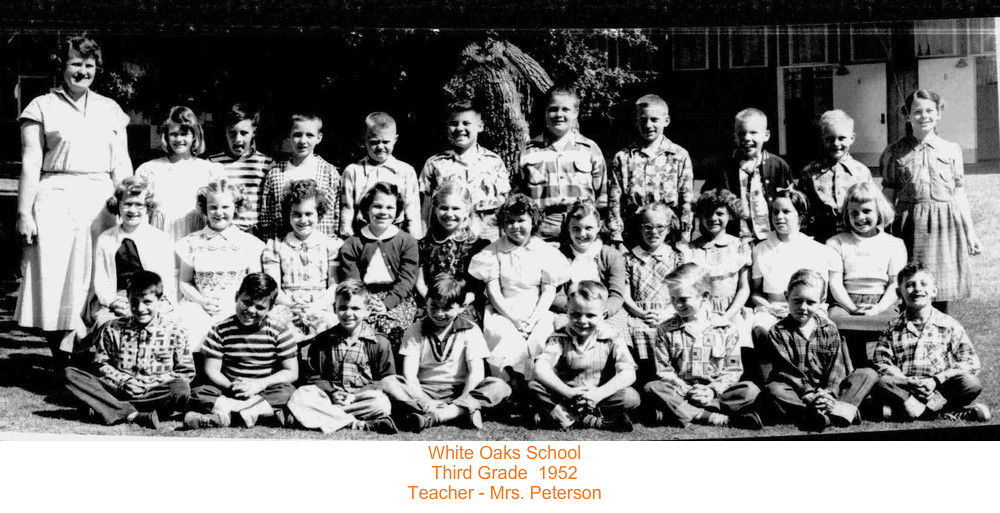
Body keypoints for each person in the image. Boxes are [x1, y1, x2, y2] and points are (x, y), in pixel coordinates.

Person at [15, 35, 132, 366]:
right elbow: (30, 163)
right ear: (61, 67)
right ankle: (62, 359)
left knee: (96, 278)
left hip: (101, 201)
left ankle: (90, 353)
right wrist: (24, 213)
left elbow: (121, 163)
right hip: (55, 198)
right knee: (56, 279)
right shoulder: (41, 106)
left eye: (89, 65)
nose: (83, 71)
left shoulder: (110, 109)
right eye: (75, 64)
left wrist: (127, 202)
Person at [879, 90, 982, 313]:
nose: (923, 116)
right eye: (917, 112)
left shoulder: (951, 149)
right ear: (907, 116)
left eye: (929, 111)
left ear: (938, 114)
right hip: (909, 225)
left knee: (938, 287)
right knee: (910, 284)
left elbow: (959, 193)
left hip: (944, 225)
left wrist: (970, 233)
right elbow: (888, 193)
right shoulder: (894, 152)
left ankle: (939, 330)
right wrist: (882, 230)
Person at [63, 271, 193, 429]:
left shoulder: (176, 332)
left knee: (180, 388)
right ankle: (132, 413)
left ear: (160, 301)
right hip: (120, 390)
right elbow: (101, 363)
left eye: (147, 302)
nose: (140, 308)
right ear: (128, 300)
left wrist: (147, 384)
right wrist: (125, 381)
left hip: (155, 391)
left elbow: (186, 372)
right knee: (70, 374)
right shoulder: (113, 327)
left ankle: (109, 407)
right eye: (134, 302)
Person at [383, 273, 512, 432]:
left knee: (499, 386)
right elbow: (410, 375)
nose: (439, 313)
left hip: (459, 391)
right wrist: (426, 401)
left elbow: (476, 374)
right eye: (434, 306)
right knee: (389, 383)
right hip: (424, 391)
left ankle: (440, 415)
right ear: (426, 301)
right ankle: (460, 413)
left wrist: (462, 399)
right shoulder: (415, 330)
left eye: (447, 308)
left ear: (462, 307)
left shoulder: (471, 330)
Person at [756, 270, 878, 432]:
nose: (803, 307)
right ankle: (837, 412)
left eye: (810, 302)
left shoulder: (829, 328)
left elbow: (836, 366)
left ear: (822, 301)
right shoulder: (778, 332)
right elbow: (787, 370)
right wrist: (808, 393)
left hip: (828, 392)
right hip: (798, 392)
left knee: (867, 373)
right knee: (774, 390)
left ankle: (824, 412)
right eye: (797, 301)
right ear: (787, 297)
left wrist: (829, 393)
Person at [643, 263, 762, 429]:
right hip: (682, 392)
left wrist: (711, 391)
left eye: (683, 299)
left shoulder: (727, 329)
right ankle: (714, 418)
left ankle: (678, 413)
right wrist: (686, 390)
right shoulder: (664, 330)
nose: (677, 305)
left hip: (716, 394)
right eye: (672, 299)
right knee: (652, 387)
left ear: (705, 296)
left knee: (750, 390)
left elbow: (733, 370)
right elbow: (664, 370)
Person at [468, 194, 569, 381]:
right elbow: (494, 292)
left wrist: (533, 320)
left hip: (537, 310)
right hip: (503, 311)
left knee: (542, 336)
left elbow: (548, 292)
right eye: (509, 221)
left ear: (533, 221)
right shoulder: (493, 252)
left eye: (521, 220)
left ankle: (537, 384)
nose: (515, 226)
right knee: (504, 336)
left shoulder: (546, 252)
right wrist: (514, 319)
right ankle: (509, 385)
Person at [870, 263, 989, 422]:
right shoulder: (892, 327)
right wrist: (906, 380)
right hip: (905, 386)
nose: (917, 289)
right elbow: (881, 362)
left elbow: (970, 362)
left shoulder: (949, 324)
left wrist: (936, 380)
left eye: (924, 284)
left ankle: (907, 411)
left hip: (939, 387)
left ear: (934, 291)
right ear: (899, 292)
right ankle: (943, 412)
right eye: (910, 285)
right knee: (883, 382)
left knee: (971, 383)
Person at [183, 273, 298, 429]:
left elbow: (291, 372)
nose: (250, 310)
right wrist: (231, 386)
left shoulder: (279, 331)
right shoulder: (220, 330)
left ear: (270, 308)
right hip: (230, 389)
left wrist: (259, 384)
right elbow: (211, 369)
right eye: (246, 302)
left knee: (288, 391)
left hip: (264, 390)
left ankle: (228, 415)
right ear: (237, 296)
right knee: (198, 391)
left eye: (260, 307)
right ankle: (252, 413)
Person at [286, 280, 398, 434]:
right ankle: (357, 424)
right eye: (343, 308)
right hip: (330, 399)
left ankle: (323, 417)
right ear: (335, 309)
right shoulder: (323, 340)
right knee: (301, 395)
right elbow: (313, 377)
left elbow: (386, 380)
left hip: (361, 399)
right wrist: (332, 393)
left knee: (381, 403)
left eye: (355, 308)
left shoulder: (379, 342)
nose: (348, 313)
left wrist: (356, 394)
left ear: (368, 310)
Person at [528, 281, 639, 432]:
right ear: (567, 311)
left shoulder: (612, 336)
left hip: (598, 396)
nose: (582, 321)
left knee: (630, 397)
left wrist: (599, 394)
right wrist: (568, 392)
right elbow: (540, 368)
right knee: (533, 386)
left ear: (603, 314)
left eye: (590, 315)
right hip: (565, 395)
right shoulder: (559, 337)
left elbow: (628, 373)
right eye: (575, 314)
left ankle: (564, 417)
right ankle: (593, 420)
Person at [171, 179, 265, 352]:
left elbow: (255, 284)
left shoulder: (248, 243)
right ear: (204, 209)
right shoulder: (192, 242)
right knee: (190, 324)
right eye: (213, 207)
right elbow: (185, 281)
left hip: (237, 306)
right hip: (200, 304)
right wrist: (202, 301)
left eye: (225, 207)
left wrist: (241, 304)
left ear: (236, 207)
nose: (219, 213)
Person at [337, 182, 420, 354]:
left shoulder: (407, 242)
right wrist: (367, 300)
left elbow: (406, 280)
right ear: (367, 209)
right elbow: (353, 280)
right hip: (362, 296)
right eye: (377, 206)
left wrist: (386, 304)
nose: (383, 212)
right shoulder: (352, 243)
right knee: (362, 327)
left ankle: (392, 366)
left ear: (397, 211)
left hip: (397, 298)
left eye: (390, 207)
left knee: (392, 327)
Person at [516, 85, 607, 240]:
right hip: (541, 233)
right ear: (545, 112)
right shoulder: (529, 151)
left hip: (581, 232)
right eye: (553, 109)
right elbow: (518, 196)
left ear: (576, 112)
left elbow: (603, 196)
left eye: (565, 109)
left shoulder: (590, 149)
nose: (559, 115)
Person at [88, 177, 176, 328]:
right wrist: (113, 302)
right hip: (119, 299)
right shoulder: (106, 239)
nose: (133, 210)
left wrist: (152, 304)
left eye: (139, 205)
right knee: (108, 324)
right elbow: (102, 279)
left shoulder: (160, 239)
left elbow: (165, 280)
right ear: (118, 205)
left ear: (148, 207)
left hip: (150, 299)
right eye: (127, 204)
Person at [608, 94, 694, 247]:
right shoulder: (624, 157)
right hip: (633, 235)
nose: (648, 125)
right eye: (643, 120)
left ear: (666, 121)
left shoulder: (679, 156)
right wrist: (617, 239)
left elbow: (686, 201)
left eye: (654, 120)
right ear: (636, 121)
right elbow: (614, 203)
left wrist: (684, 238)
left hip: (668, 236)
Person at [262, 179, 341, 341]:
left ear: (319, 214)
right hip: (287, 305)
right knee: (274, 327)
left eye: (308, 214)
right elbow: (273, 287)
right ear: (288, 215)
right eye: (296, 214)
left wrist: (315, 307)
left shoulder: (330, 245)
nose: (303, 220)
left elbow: (334, 285)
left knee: (331, 327)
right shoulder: (276, 246)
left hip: (320, 305)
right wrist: (293, 306)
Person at [420, 101, 510, 241]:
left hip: (487, 239)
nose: (459, 128)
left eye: (466, 123)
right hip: (448, 239)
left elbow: (504, 209)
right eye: (454, 123)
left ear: (480, 126)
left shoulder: (494, 162)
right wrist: (422, 238)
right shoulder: (435, 163)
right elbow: (426, 209)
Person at [136, 105, 226, 245]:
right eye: (173, 134)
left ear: (194, 135)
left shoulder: (209, 170)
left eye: (184, 134)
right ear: (166, 136)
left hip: (196, 240)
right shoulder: (150, 169)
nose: (178, 139)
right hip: (160, 239)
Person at [702, 108, 793, 243]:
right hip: (735, 239)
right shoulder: (723, 169)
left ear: (766, 135)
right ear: (735, 136)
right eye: (741, 133)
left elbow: (792, 202)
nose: (747, 138)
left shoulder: (778, 166)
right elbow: (707, 201)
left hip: (770, 238)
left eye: (753, 133)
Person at [622, 203, 690, 381]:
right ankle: (643, 383)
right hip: (639, 315)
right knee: (636, 332)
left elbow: (682, 291)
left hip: (670, 312)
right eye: (648, 227)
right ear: (640, 228)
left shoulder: (677, 257)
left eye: (660, 227)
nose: (654, 232)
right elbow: (625, 295)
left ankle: (674, 381)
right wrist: (643, 314)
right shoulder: (629, 259)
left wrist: (666, 314)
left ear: (669, 228)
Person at [826, 182, 907, 326]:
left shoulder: (895, 244)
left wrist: (878, 308)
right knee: (835, 321)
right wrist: (853, 308)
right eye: (854, 213)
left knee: (893, 324)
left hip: (884, 301)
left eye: (866, 211)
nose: (860, 217)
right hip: (845, 302)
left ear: (879, 211)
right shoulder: (836, 242)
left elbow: (895, 283)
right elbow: (835, 283)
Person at [258, 111, 341, 241]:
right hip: (285, 246)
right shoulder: (275, 174)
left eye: (309, 135)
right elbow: (267, 218)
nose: (303, 141)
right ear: (289, 136)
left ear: (319, 138)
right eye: (297, 135)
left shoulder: (329, 172)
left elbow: (336, 215)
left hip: (321, 246)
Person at [551, 199, 629, 338]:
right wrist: (577, 310)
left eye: (588, 228)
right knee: (560, 330)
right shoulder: (559, 257)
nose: (582, 234)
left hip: (604, 312)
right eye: (576, 228)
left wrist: (599, 311)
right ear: (568, 228)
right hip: (571, 312)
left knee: (614, 332)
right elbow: (556, 295)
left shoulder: (612, 255)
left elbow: (616, 295)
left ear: (599, 227)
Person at [415, 183, 490, 321]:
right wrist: (433, 303)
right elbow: (419, 282)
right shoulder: (424, 245)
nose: (449, 214)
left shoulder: (477, 246)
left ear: (466, 211)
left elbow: (477, 287)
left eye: (455, 208)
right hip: (430, 304)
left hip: (464, 306)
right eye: (444, 208)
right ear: (435, 209)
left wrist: (460, 305)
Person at [687, 188, 753, 348]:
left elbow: (744, 288)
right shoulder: (692, 249)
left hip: (732, 311)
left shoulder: (739, 246)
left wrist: (727, 316)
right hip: (700, 311)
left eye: (719, 213)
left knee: (734, 347)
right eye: (707, 213)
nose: (713, 218)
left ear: (730, 215)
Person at [340, 112, 422, 238]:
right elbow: (347, 211)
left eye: (386, 142)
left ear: (395, 140)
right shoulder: (353, 171)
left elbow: (413, 214)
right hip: (361, 237)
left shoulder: (406, 171)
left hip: (396, 237)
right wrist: (347, 240)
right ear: (365, 140)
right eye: (374, 142)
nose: (380, 147)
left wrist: (415, 241)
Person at [797, 109, 875, 242]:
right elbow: (802, 211)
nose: (836, 144)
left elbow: (872, 208)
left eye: (841, 138)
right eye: (829, 139)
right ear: (822, 138)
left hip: (854, 238)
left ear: (852, 138)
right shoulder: (809, 173)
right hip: (820, 239)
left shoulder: (862, 172)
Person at [207, 103, 273, 233]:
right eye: (232, 133)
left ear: (254, 132)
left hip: (253, 233)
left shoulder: (265, 163)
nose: (238, 139)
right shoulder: (213, 163)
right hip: (222, 232)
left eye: (244, 133)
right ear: (225, 132)